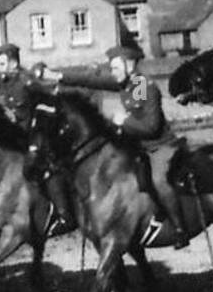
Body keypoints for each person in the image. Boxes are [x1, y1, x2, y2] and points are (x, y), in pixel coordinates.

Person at [44, 46, 190, 248]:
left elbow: (151, 126)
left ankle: (179, 228)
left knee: (158, 178)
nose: (112, 72)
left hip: (158, 145)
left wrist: (123, 122)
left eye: (115, 68)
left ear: (129, 66)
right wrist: (58, 75)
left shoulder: (142, 85)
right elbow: (91, 80)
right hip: (136, 145)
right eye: (111, 68)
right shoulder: (127, 83)